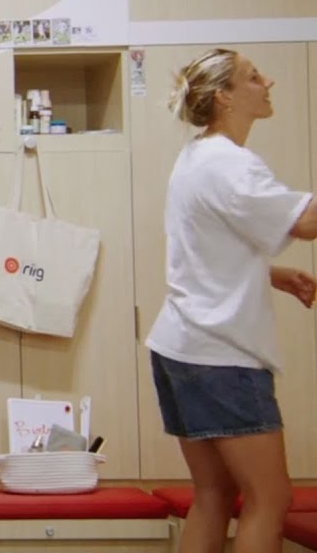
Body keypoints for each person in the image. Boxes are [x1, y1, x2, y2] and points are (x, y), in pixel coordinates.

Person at [146, 48, 317, 553]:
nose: (269, 82)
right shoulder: (231, 164)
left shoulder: (197, 155)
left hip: (180, 345)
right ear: (224, 96)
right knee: (270, 498)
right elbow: (306, 222)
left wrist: (269, 273)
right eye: (253, 77)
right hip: (221, 357)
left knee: (213, 494)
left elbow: (205, 246)